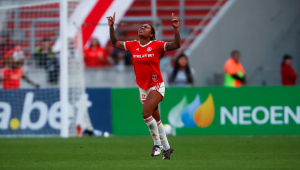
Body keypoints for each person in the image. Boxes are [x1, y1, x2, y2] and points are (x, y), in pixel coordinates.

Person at [107, 12, 181, 160]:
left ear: (152, 34)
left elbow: (176, 45)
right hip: (143, 87)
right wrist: (111, 27)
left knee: (146, 114)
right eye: (141, 26)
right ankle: (167, 148)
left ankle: (157, 144)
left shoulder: (156, 45)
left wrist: (176, 29)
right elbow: (115, 43)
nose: (142, 27)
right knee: (157, 119)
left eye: (146, 27)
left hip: (156, 85)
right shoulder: (133, 45)